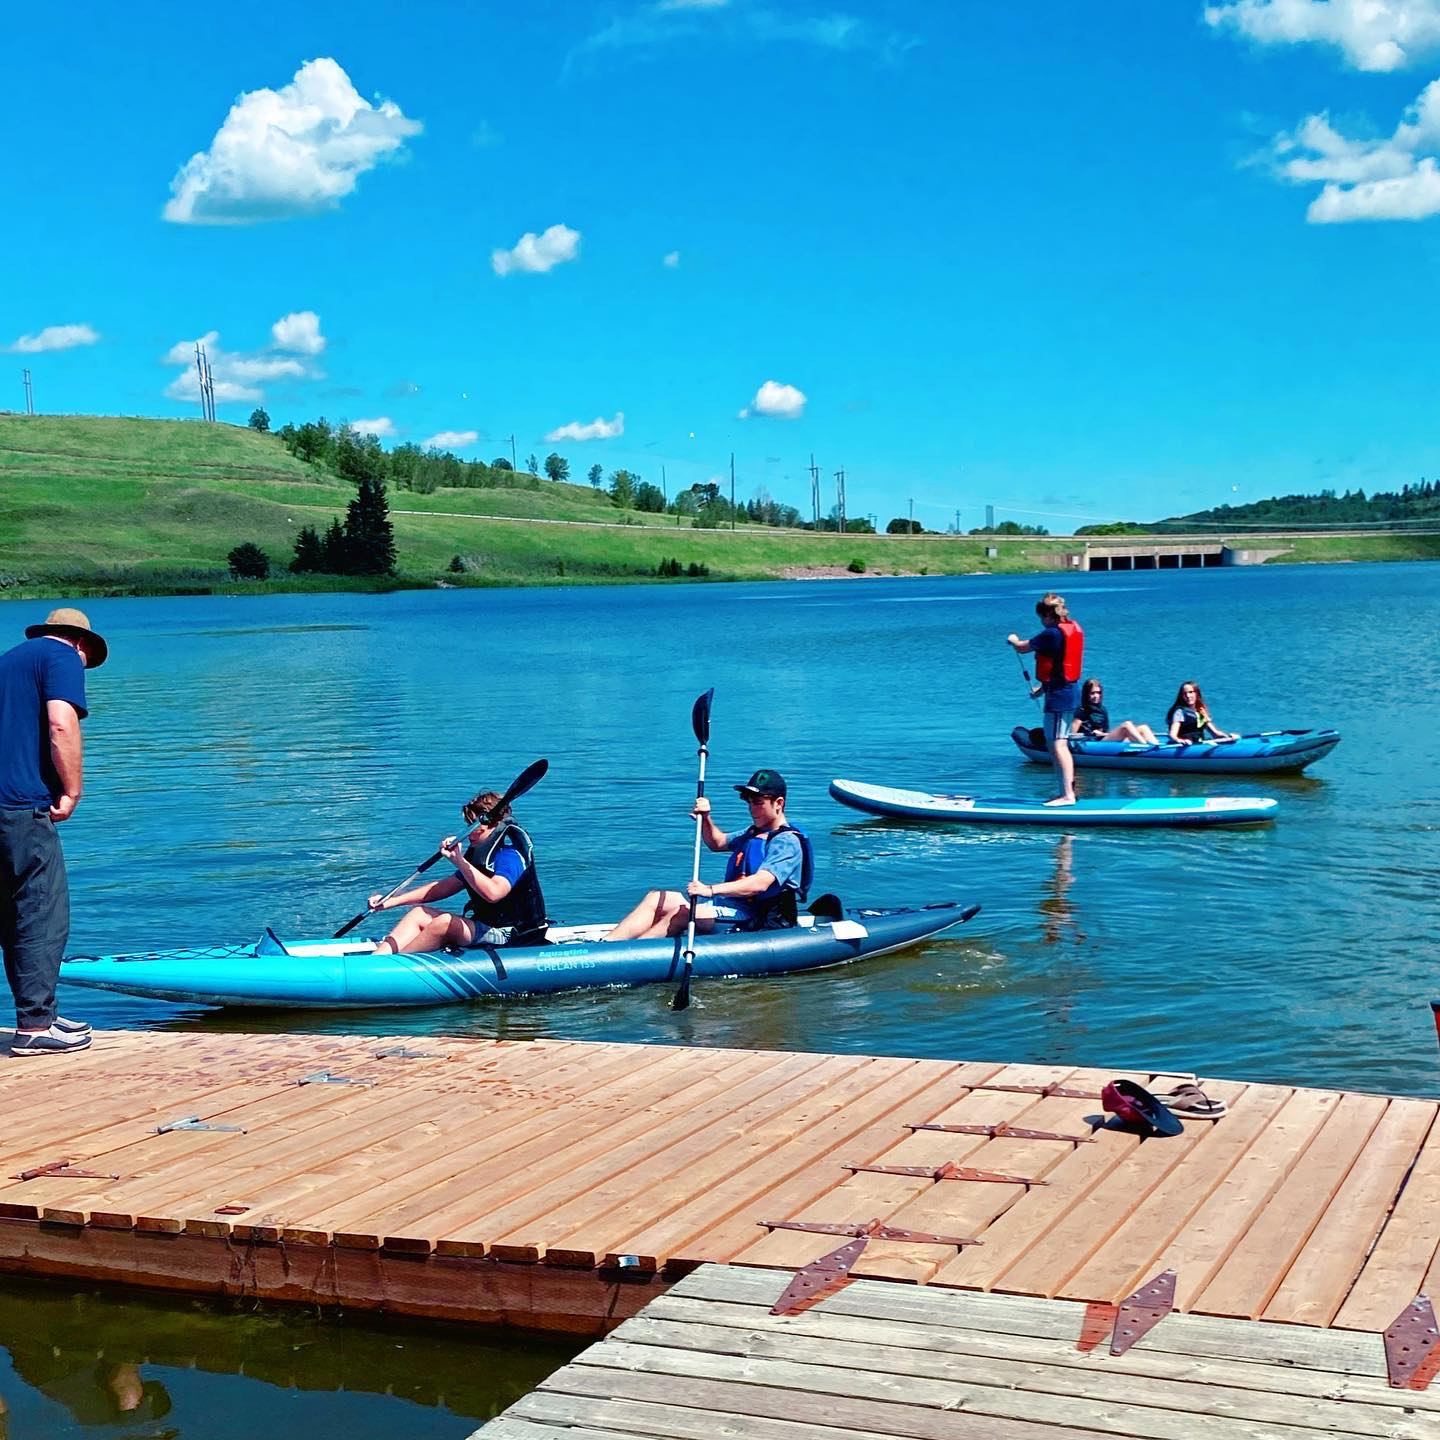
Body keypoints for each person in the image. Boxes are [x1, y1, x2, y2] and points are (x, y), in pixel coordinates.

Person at [0, 607, 107, 1057]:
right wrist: (73, 789)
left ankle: (38, 1013)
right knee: (41, 912)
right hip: (21, 808)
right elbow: (61, 722)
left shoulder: (8, 661)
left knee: (11, 912)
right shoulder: (61, 657)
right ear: (79, 642)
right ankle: (35, 1026)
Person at [603, 768, 812, 940]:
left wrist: (710, 890)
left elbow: (760, 883)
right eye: (749, 802)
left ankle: (634, 955)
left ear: (779, 803)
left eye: (758, 803)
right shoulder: (754, 833)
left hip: (759, 918)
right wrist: (706, 818)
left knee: (684, 913)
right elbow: (717, 842)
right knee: (658, 898)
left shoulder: (786, 842)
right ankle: (605, 946)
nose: (752, 809)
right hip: (733, 907)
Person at [367, 789, 548, 952]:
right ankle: (376, 962)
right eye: (468, 827)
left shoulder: (510, 856)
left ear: (494, 827)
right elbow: (441, 888)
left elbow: (494, 893)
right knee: (419, 913)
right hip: (483, 926)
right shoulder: (476, 858)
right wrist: (391, 901)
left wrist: (459, 861)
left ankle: (397, 969)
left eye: (476, 828)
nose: (470, 834)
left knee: (445, 923)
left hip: (512, 934)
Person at [1008, 592, 1083, 805]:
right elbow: (1058, 668)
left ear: (1047, 615)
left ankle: (1068, 795)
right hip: (1062, 693)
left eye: (1041, 617)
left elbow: (1022, 648)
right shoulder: (1067, 630)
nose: (1041, 622)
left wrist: (1013, 639)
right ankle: (1065, 791)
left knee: (1059, 745)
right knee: (1055, 744)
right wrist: (1041, 690)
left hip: (1061, 697)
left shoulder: (1051, 633)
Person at [1071, 678, 1159, 746]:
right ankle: (1146, 747)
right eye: (1092, 693)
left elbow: (1105, 731)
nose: (1096, 696)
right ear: (1086, 694)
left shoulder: (1102, 710)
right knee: (1126, 725)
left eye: (1098, 693)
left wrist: (1102, 733)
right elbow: (1072, 734)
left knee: (1143, 727)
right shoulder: (1081, 711)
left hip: (1103, 738)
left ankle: (1157, 747)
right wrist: (1090, 733)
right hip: (1092, 743)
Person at [1167, 681, 1235, 745]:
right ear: (1181, 696)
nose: (1188, 696)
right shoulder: (1179, 712)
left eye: (1191, 692)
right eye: (1184, 693)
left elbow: (1215, 733)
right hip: (1184, 747)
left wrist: (1228, 737)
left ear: (1196, 694)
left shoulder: (1201, 712)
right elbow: (1172, 735)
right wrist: (1180, 740)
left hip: (1198, 744)